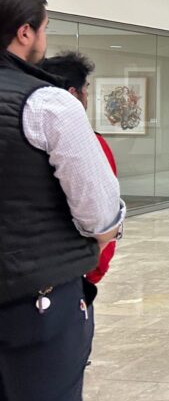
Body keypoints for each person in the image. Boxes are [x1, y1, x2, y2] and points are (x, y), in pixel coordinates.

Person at [0, 0, 125, 401]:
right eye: (45, 27)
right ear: (25, 32)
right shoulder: (49, 105)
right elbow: (99, 214)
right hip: (32, 298)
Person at [39, 51, 120, 306]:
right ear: (73, 93)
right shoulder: (89, 143)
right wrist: (92, 268)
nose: (88, 96)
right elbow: (102, 214)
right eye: (86, 89)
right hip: (69, 273)